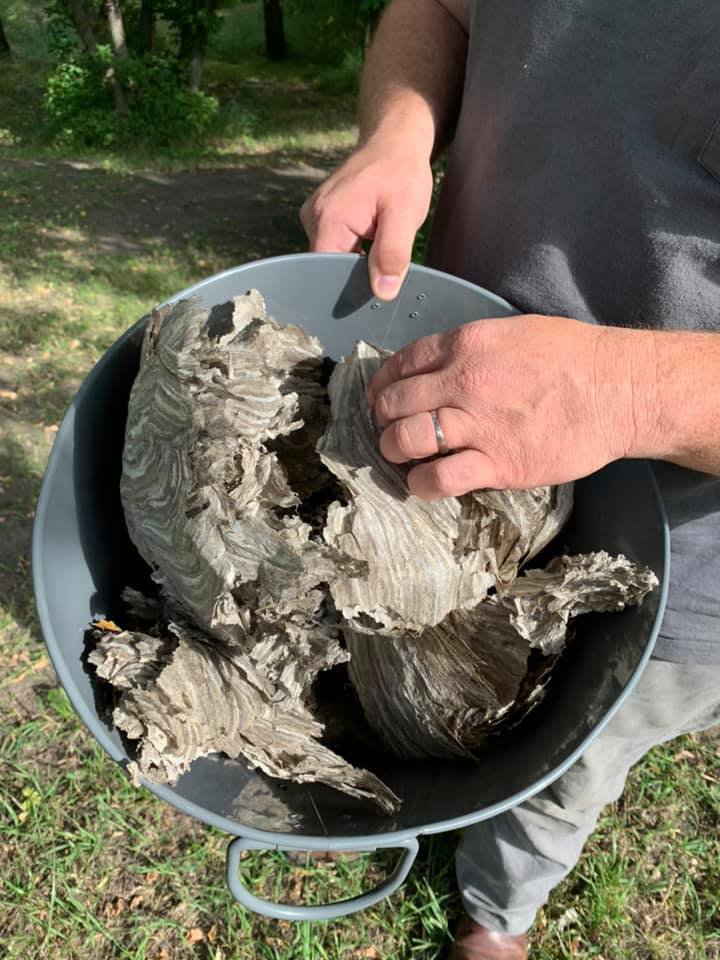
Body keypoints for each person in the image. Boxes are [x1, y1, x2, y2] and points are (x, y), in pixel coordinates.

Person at [300, 2, 720, 957]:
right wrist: (401, 130)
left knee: (564, 767)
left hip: (675, 549)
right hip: (425, 415)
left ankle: (497, 914)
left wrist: (628, 391)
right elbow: (438, 8)